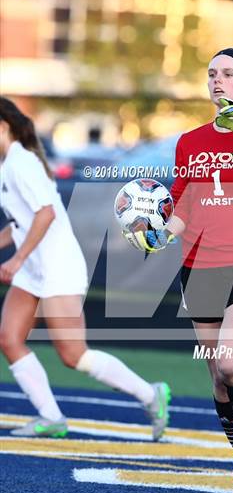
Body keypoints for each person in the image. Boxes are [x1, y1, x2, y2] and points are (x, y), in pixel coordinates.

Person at [123, 48, 233, 493]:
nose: (217, 80)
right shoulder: (189, 142)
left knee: (228, 360)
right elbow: (182, 206)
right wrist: (159, 234)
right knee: (218, 379)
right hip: (198, 269)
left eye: (228, 73)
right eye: (212, 74)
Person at [0, 97, 170, 441]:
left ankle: (151, 394)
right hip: (34, 271)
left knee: (73, 355)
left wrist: (16, 259)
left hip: (58, 267)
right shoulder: (8, 165)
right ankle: (51, 417)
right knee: (9, 338)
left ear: (3, 127)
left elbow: (45, 214)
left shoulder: (22, 162)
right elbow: (23, 220)